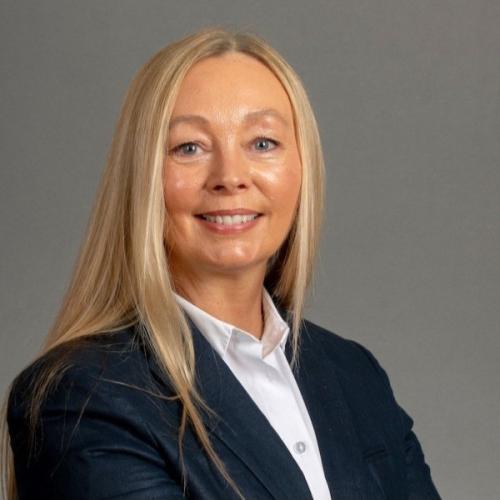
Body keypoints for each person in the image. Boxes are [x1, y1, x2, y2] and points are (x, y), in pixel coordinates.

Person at [0, 27, 441, 499]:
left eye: (262, 143)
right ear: (143, 178)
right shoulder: (81, 398)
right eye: (189, 148)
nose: (230, 177)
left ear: (303, 168)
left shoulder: (356, 375)